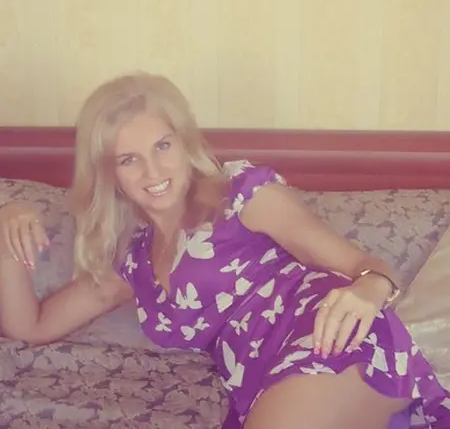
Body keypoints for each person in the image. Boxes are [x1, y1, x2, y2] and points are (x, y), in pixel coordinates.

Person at [0, 72, 448, 429]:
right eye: (128, 159)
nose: (153, 170)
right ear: (109, 173)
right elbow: (31, 327)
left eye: (162, 146)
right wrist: (7, 225)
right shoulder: (134, 263)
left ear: (184, 142)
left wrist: (369, 289)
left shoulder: (242, 195)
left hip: (330, 338)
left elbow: (365, 266)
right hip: (262, 384)